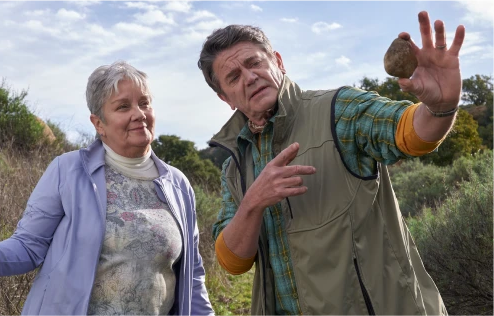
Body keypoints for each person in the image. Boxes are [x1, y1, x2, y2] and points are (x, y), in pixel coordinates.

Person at [198, 11, 462, 316]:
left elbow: (407, 132)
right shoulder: (234, 166)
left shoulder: (340, 110)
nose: (250, 77)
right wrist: (253, 203)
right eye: (234, 77)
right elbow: (233, 261)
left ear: (278, 62)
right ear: (224, 98)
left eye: (255, 62)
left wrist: (440, 108)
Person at [0, 61, 214, 316]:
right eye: (123, 106)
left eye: (144, 102)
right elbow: (26, 248)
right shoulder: (68, 171)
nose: (138, 113)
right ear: (99, 124)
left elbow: (192, 276)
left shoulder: (177, 184)